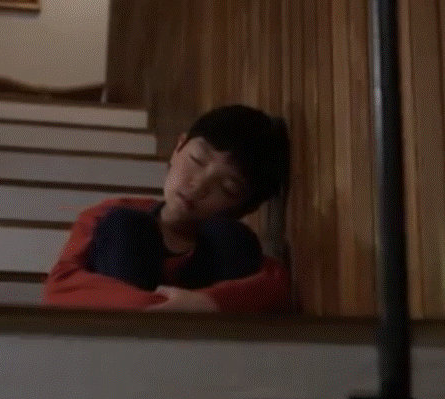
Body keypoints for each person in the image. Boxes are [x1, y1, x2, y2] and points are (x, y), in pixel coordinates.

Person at [43, 105, 293, 313]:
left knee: (231, 238)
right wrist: (165, 313)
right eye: (197, 160)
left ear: (243, 207)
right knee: (126, 225)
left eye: (227, 188)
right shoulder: (107, 215)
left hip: (201, 350)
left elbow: (277, 289)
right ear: (178, 148)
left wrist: (207, 303)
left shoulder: (230, 243)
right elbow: (58, 291)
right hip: (122, 343)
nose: (198, 186)